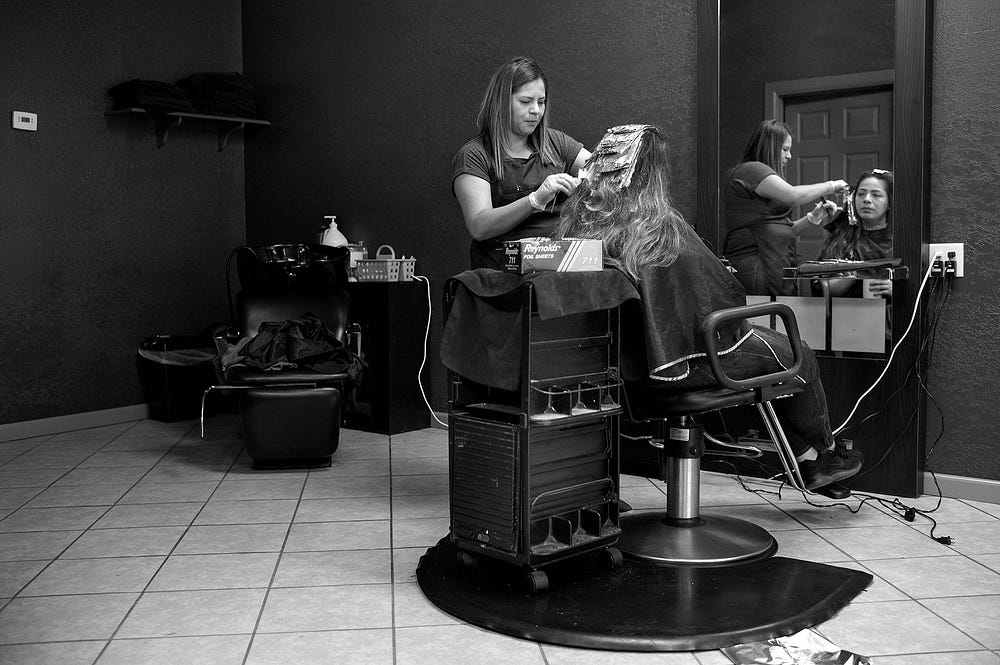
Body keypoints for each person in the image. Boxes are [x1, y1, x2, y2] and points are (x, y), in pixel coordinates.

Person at [555, 124, 862, 491]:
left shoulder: (578, 226)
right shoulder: (658, 226)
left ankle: (808, 459)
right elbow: (720, 297)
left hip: (623, 373)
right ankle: (825, 453)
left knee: (772, 360)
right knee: (800, 355)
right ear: (655, 173)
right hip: (689, 363)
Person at [451, 56, 591, 269]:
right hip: (505, 270)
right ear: (501, 103)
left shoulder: (556, 142)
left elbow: (599, 171)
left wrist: (591, 182)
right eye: (526, 102)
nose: (536, 110)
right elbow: (479, 226)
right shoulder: (474, 156)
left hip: (563, 262)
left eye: (541, 102)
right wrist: (534, 200)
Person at [723, 119, 849, 296]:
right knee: (764, 313)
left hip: (773, 264)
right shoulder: (751, 170)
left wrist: (811, 218)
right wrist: (831, 186)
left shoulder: (758, 176)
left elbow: (783, 231)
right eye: (785, 149)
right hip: (756, 267)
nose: (789, 156)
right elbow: (793, 195)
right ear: (770, 147)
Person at [815, 169, 894, 297]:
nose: (866, 199)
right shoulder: (841, 236)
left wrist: (898, 291)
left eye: (876, 195)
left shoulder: (901, 241)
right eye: (861, 194)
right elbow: (820, 289)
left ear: (889, 202)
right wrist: (848, 279)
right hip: (844, 308)